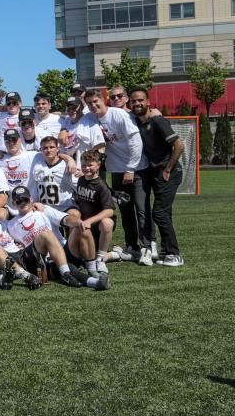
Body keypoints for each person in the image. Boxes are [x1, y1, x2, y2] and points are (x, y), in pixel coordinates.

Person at [86, 88, 149, 262]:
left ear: (102, 99)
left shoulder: (118, 115)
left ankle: (147, 247)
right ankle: (132, 247)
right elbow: (72, 119)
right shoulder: (92, 118)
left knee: (141, 210)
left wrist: (130, 169)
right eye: (89, 103)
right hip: (116, 170)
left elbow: (136, 142)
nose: (93, 106)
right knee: (125, 210)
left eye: (95, 101)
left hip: (135, 169)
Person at [5, 186, 110, 290]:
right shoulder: (11, 225)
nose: (22, 203)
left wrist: (79, 222)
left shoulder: (43, 210)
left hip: (63, 250)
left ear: (31, 199)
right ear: (13, 203)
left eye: (25, 199)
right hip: (43, 260)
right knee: (69, 266)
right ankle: (95, 282)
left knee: (82, 228)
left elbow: (65, 219)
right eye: (18, 201)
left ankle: (91, 270)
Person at [130, 86, 185, 266]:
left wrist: (168, 169)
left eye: (140, 100)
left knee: (159, 213)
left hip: (169, 172)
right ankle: (167, 252)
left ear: (148, 102)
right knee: (164, 213)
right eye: (134, 101)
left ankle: (174, 255)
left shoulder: (158, 121)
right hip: (154, 173)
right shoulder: (136, 122)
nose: (137, 103)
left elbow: (179, 145)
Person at [69, 150, 119, 277]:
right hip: (86, 226)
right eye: (84, 165)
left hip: (97, 226)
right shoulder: (81, 180)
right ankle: (114, 254)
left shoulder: (101, 185)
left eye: (90, 165)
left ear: (98, 165)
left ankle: (101, 258)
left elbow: (109, 210)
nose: (87, 168)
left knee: (107, 223)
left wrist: (89, 221)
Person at [58, 96, 105, 170]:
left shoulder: (90, 123)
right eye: (69, 107)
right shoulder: (66, 123)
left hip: (84, 170)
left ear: (82, 107)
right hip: (67, 168)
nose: (71, 110)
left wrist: (87, 164)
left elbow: (100, 145)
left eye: (74, 107)